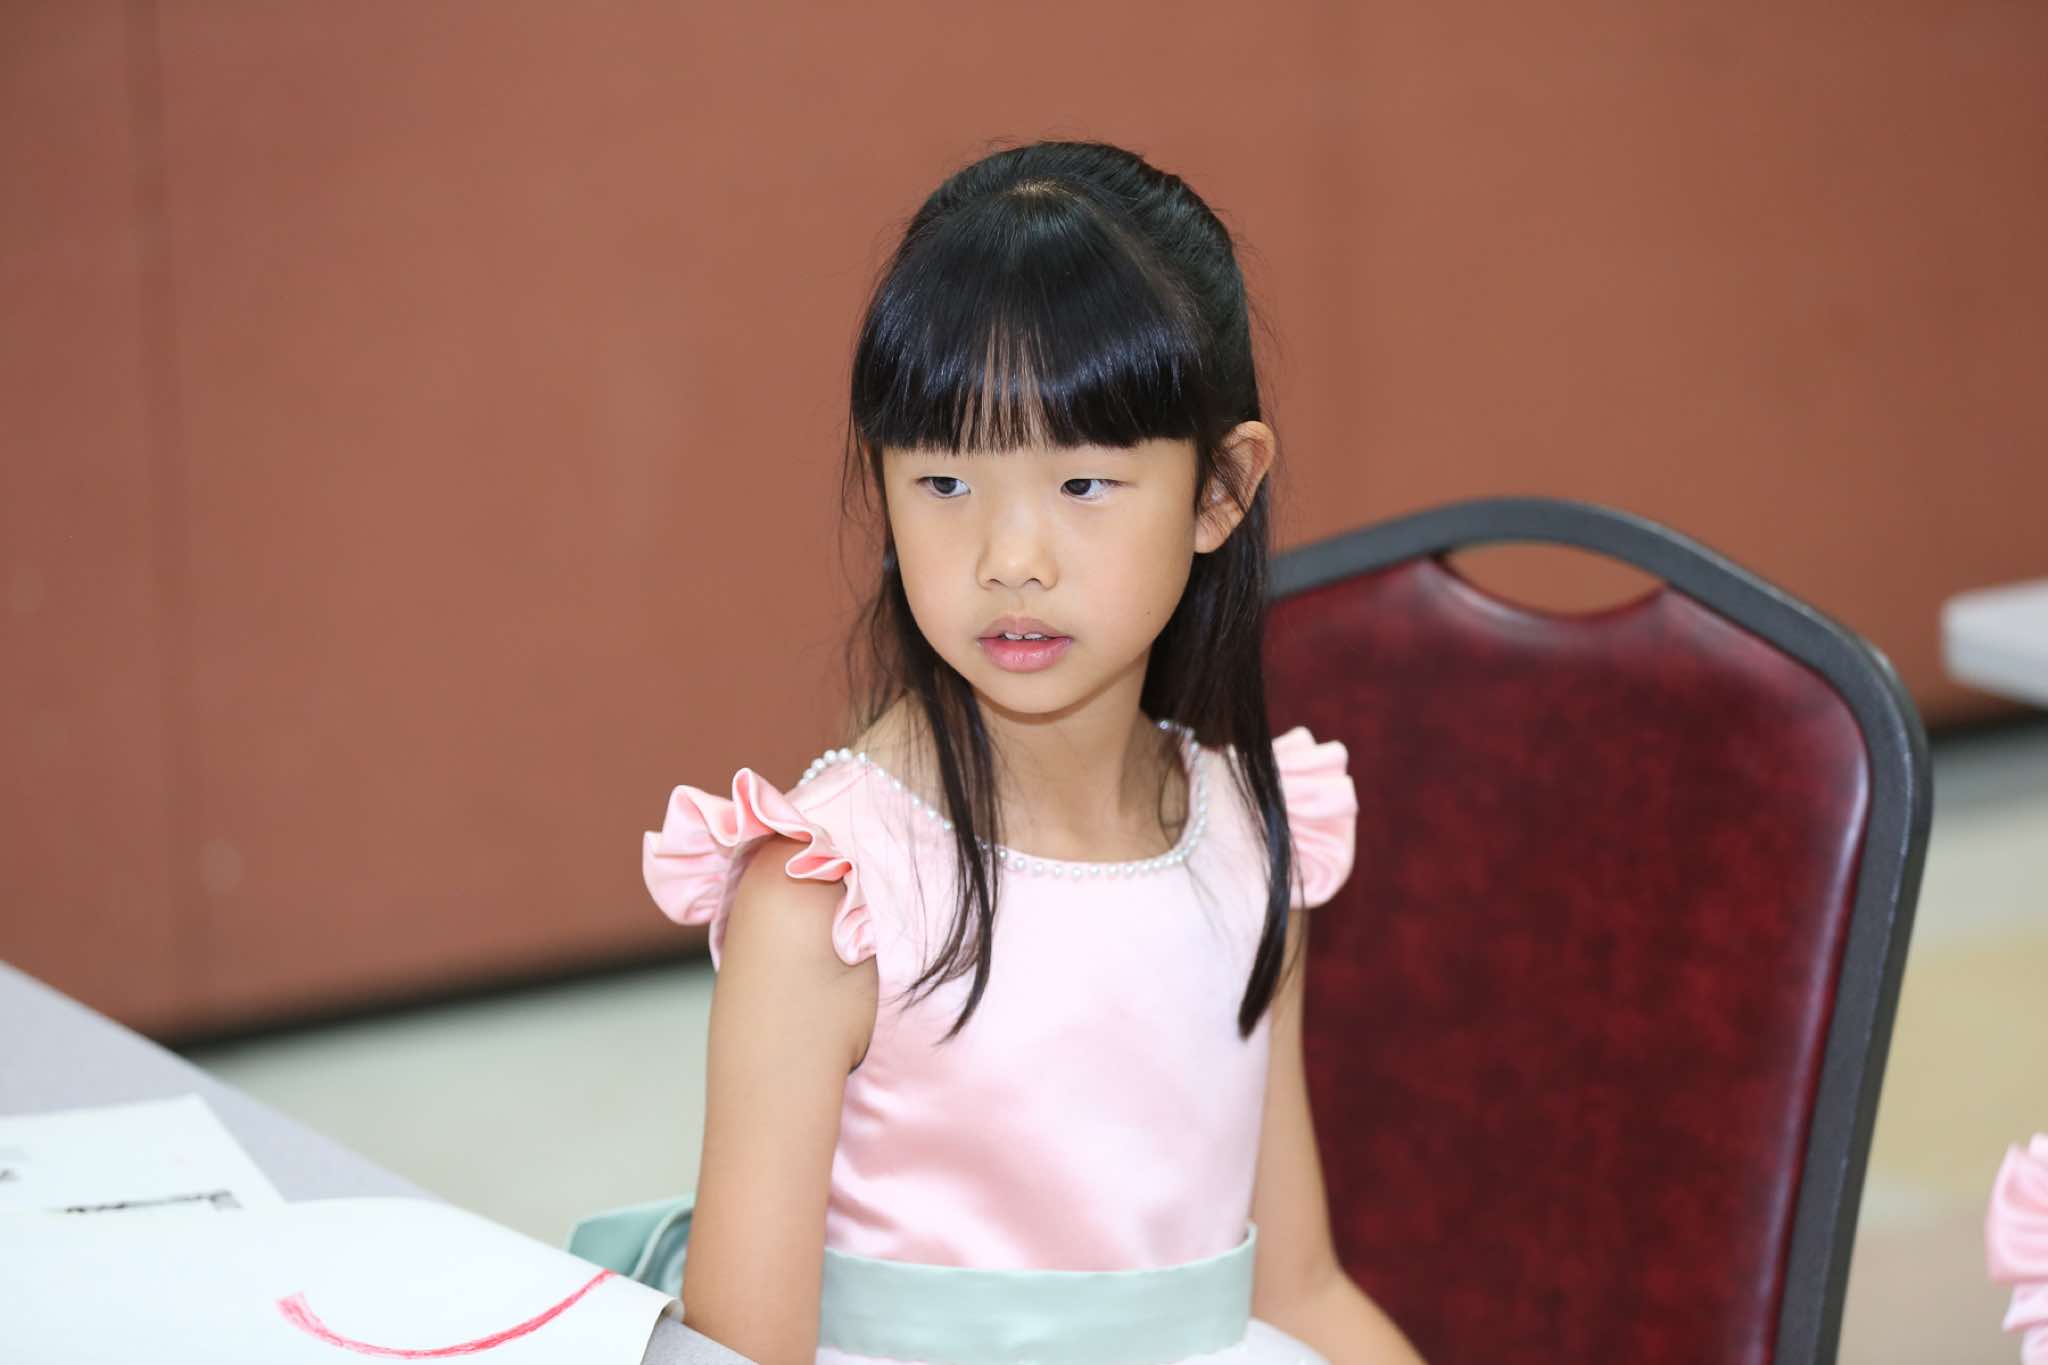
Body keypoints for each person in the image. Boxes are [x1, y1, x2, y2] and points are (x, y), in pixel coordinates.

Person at [612, 138, 1426, 1364]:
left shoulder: (1259, 842)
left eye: (1083, 485)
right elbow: (745, 1350)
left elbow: (1298, 1290)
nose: (1009, 560)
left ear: (1220, 489)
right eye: (943, 481)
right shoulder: (830, 898)